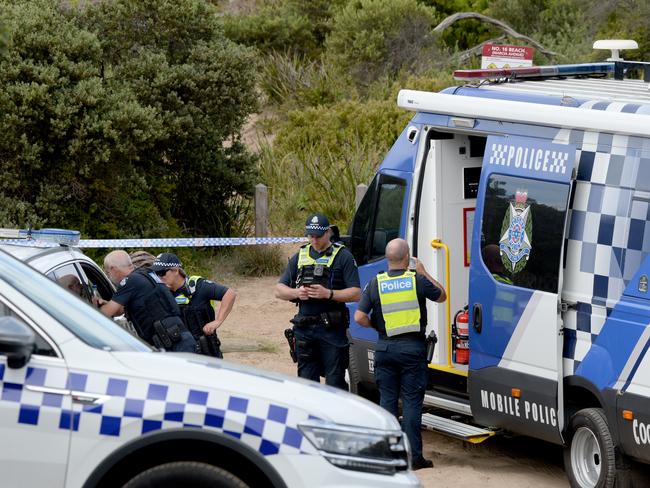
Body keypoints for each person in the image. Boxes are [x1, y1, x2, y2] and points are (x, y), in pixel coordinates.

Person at [354, 238, 446, 471]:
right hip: (412, 350)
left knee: (387, 402)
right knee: (413, 403)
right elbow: (442, 295)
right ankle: (414, 458)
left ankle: (389, 456)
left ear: (387, 259)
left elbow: (359, 317)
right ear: (407, 259)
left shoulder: (376, 282)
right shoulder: (416, 280)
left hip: (385, 349)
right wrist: (423, 272)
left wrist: (379, 328)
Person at [275, 213, 361, 390]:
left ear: (328, 232)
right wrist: (296, 293)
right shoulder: (300, 256)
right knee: (307, 384)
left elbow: (356, 293)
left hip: (332, 330)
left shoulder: (343, 256)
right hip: (304, 329)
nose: (314, 240)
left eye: (318, 236)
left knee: (335, 382)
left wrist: (328, 294)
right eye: (310, 236)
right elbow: (279, 290)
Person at [100, 250, 198, 353]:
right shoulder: (146, 274)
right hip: (178, 340)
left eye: (108, 273)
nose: (109, 277)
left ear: (113, 269)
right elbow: (120, 310)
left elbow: (105, 313)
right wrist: (107, 304)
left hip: (173, 344)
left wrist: (88, 306)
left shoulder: (130, 281)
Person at [152, 252, 236, 358]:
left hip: (205, 351)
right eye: (156, 274)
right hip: (178, 351)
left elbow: (230, 294)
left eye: (162, 273)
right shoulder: (161, 292)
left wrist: (218, 321)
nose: (159, 277)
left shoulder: (198, 286)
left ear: (176, 270)